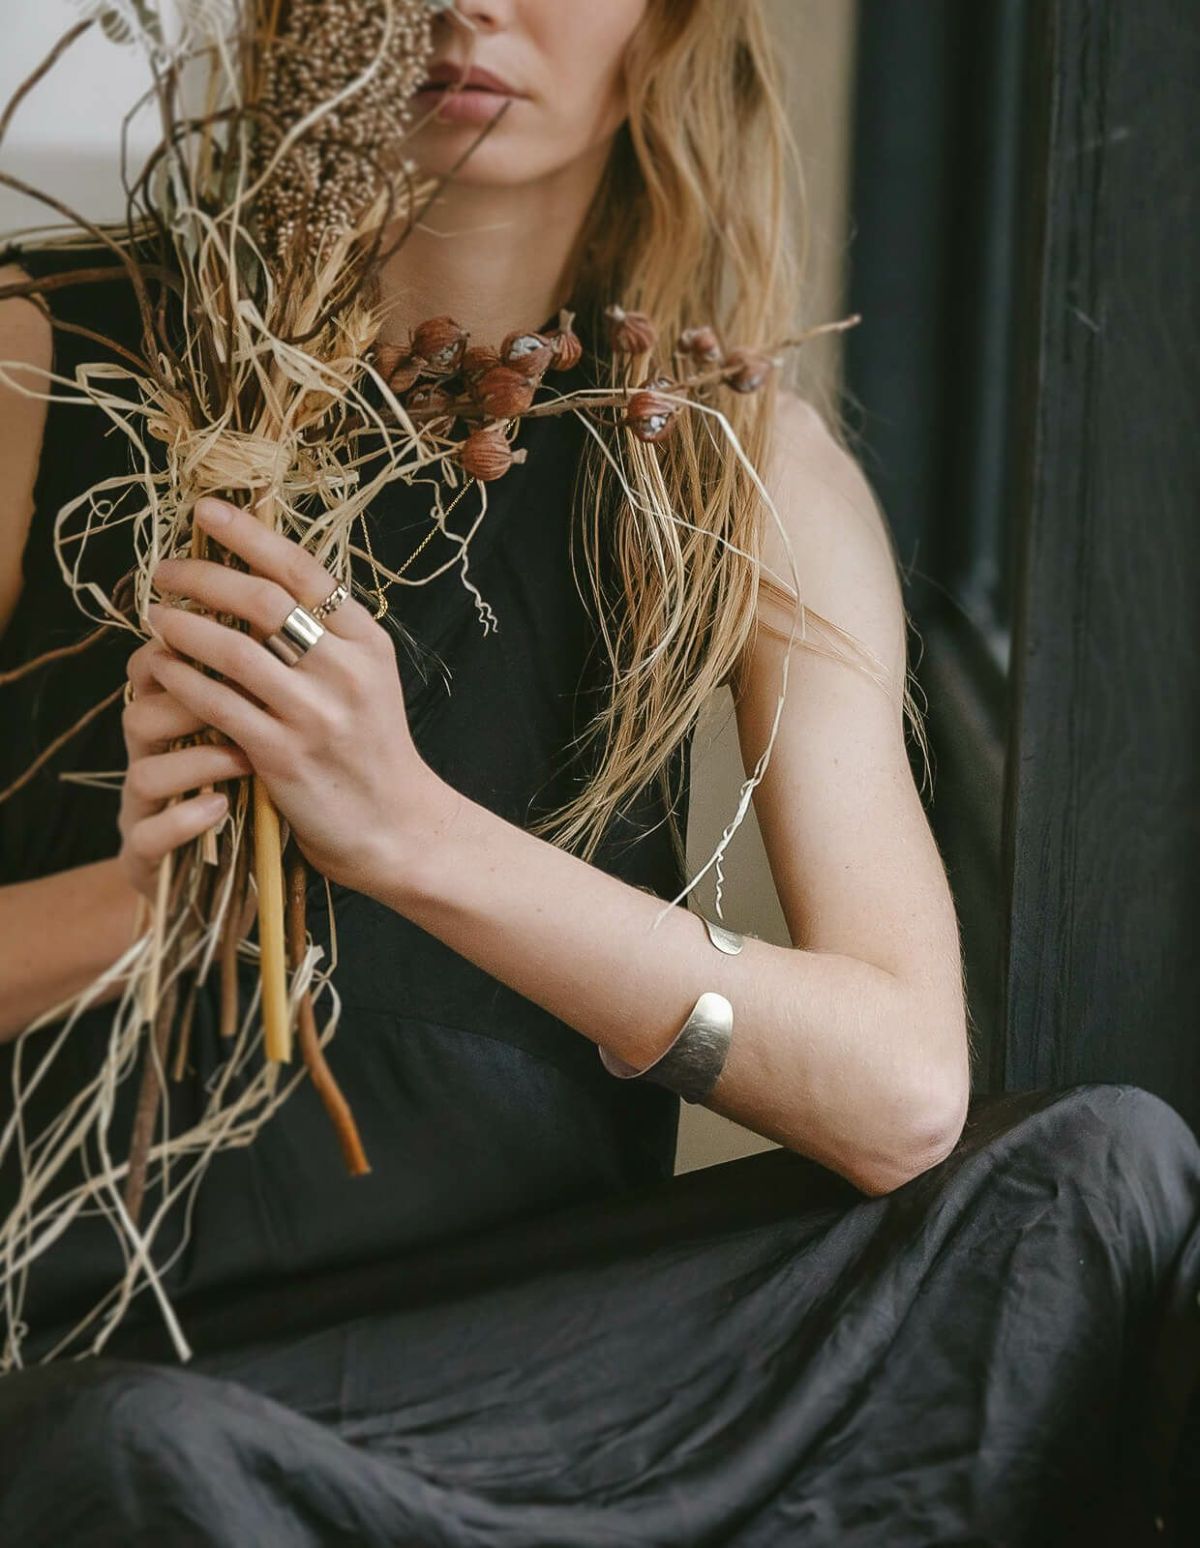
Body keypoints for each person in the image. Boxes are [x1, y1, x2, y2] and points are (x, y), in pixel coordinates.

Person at [0, 2, 1196, 1544]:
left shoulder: (731, 459)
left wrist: (410, 834)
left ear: (670, 27)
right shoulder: (51, 357)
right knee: (139, 1452)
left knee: (1090, 1184)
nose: (464, 4)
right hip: (105, 1352)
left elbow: (900, 1093)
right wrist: (135, 914)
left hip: (513, 1381)